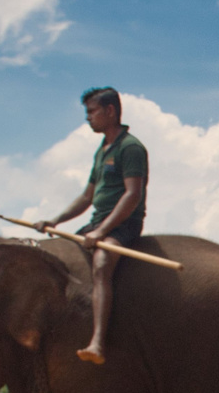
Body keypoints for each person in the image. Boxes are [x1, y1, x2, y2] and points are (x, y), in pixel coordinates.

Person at [39, 87, 148, 364]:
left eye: (91, 112)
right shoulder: (102, 151)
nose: (88, 119)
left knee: (101, 264)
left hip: (123, 224)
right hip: (97, 222)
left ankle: (98, 341)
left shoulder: (130, 147)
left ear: (110, 111)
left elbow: (132, 195)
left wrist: (101, 232)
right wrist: (56, 220)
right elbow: (87, 196)